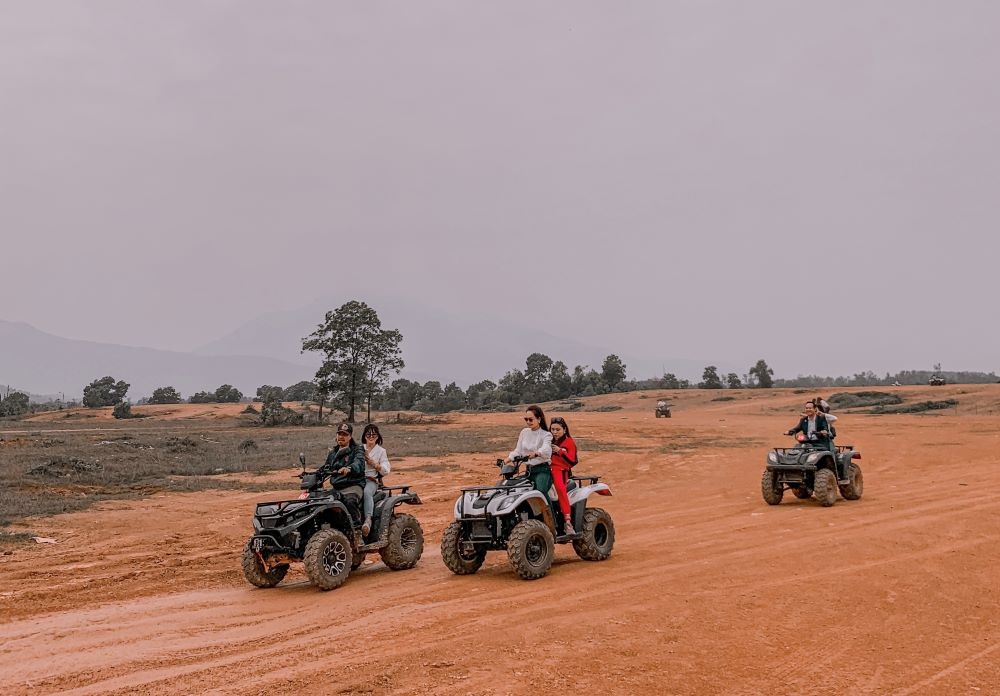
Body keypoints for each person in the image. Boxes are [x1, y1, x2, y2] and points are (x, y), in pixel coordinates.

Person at [504, 405, 553, 501]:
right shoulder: (524, 432)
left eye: (531, 419)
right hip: (528, 471)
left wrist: (537, 453)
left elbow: (546, 449)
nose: (528, 422)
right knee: (517, 491)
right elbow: (518, 450)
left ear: (539, 419)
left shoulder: (546, 434)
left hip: (542, 471)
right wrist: (507, 460)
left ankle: (549, 515)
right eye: (526, 419)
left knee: (540, 492)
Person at [321, 423, 367, 519]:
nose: (341, 437)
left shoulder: (357, 449)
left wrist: (349, 468)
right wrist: (313, 474)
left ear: (350, 436)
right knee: (321, 502)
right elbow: (326, 467)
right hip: (337, 487)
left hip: (353, 485)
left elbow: (359, 463)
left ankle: (356, 527)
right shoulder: (333, 452)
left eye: (345, 434)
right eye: (339, 434)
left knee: (350, 501)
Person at [549, 416, 578, 535]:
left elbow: (573, 461)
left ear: (564, 430)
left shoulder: (569, 442)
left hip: (560, 471)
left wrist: (560, 451)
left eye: (558, 429)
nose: (555, 432)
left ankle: (567, 522)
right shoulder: (549, 441)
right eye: (552, 429)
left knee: (560, 490)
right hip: (548, 469)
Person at [360, 424, 391, 536]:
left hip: (371, 480)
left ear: (377, 437)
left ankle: (368, 519)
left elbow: (386, 470)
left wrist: (373, 463)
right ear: (365, 436)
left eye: (374, 434)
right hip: (357, 480)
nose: (371, 436)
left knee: (367, 492)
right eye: (368, 434)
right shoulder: (359, 448)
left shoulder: (381, 451)